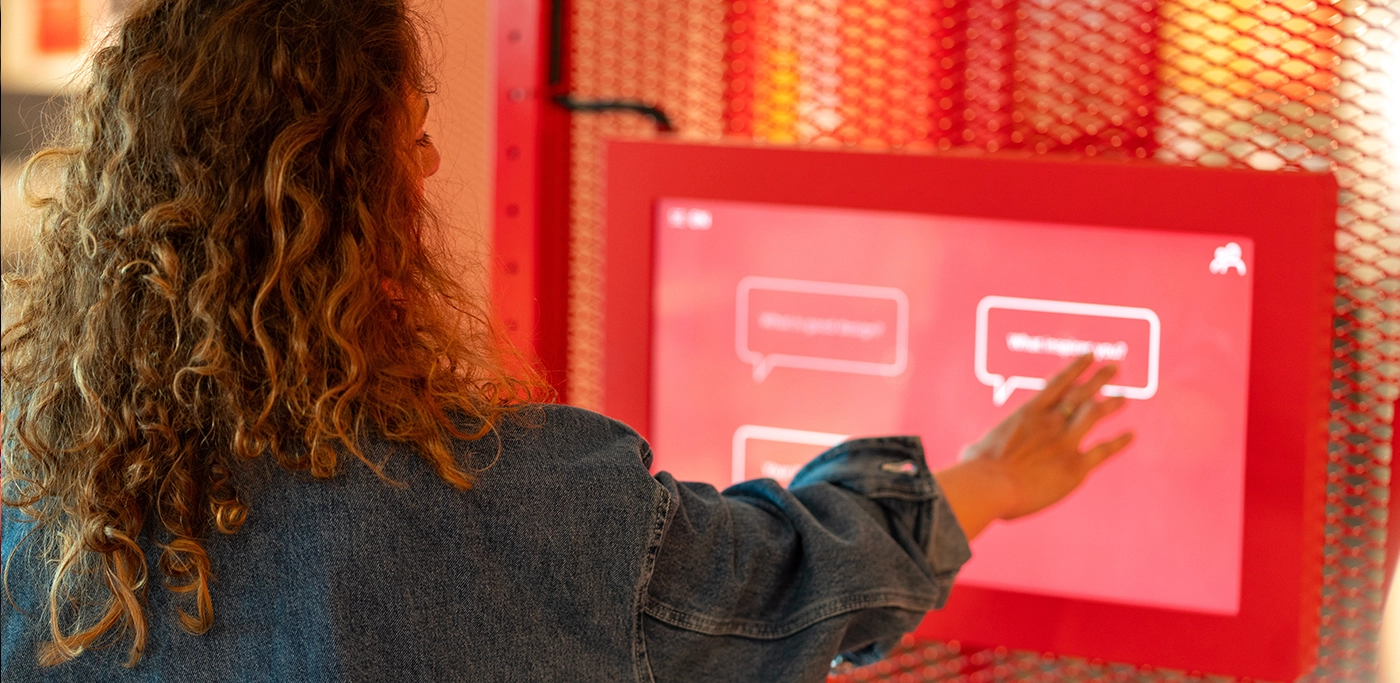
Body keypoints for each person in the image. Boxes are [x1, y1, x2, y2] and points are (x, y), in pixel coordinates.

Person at [0, 1, 1133, 681]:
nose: (433, 171)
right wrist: (992, 477)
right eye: (416, 143)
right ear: (353, 200)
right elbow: (793, 584)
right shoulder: (521, 502)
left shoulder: (28, 496)